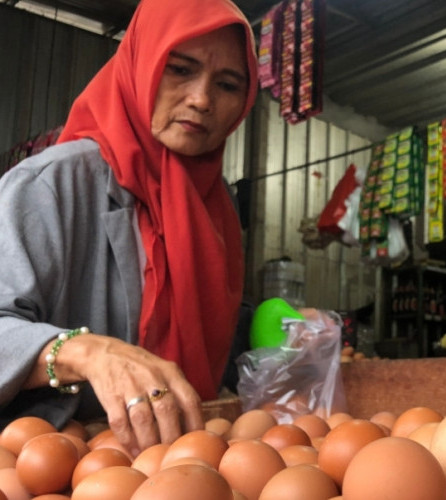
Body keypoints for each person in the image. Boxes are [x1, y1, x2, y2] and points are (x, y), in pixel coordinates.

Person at [0, 0, 258, 458]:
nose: (202, 99)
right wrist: (83, 352)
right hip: (54, 463)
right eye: (180, 69)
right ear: (140, 63)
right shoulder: (52, 185)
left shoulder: (215, 210)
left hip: (169, 463)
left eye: (227, 84)